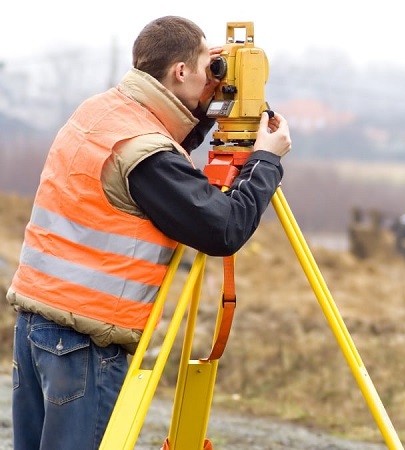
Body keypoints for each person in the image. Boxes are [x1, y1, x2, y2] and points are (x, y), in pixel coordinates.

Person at [6, 16, 291, 450]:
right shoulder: (146, 153)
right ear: (180, 72)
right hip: (84, 342)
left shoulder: (102, 111)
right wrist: (266, 161)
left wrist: (202, 110)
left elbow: (159, 159)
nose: (212, 75)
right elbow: (224, 229)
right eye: (205, 65)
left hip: (37, 325)